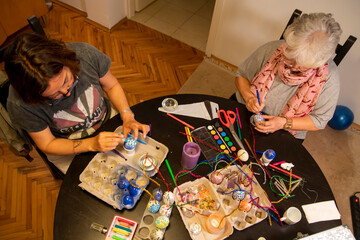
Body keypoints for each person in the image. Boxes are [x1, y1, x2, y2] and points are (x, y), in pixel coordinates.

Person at [4, 33, 150, 173]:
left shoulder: (84, 54)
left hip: (108, 120)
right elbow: (48, 143)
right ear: (33, 95)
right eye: (54, 95)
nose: (67, 92)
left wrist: (127, 116)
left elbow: (111, 86)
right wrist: (91, 144)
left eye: (67, 80)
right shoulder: (20, 104)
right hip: (65, 146)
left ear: (65, 60)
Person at [235, 12, 342, 142]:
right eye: (290, 58)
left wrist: (283, 123)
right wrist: (249, 98)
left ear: (319, 61)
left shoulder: (329, 76)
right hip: (245, 108)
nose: (294, 67)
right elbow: (242, 75)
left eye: (304, 64)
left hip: (285, 130)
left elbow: (319, 120)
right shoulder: (272, 49)